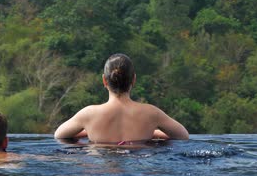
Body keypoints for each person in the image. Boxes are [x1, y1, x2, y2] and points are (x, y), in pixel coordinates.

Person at [54, 53, 189, 143]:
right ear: (134, 80)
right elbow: (183, 136)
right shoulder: (151, 113)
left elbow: (59, 135)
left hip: (99, 169)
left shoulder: (89, 114)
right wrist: (153, 133)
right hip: (138, 169)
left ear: (104, 81)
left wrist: (87, 132)